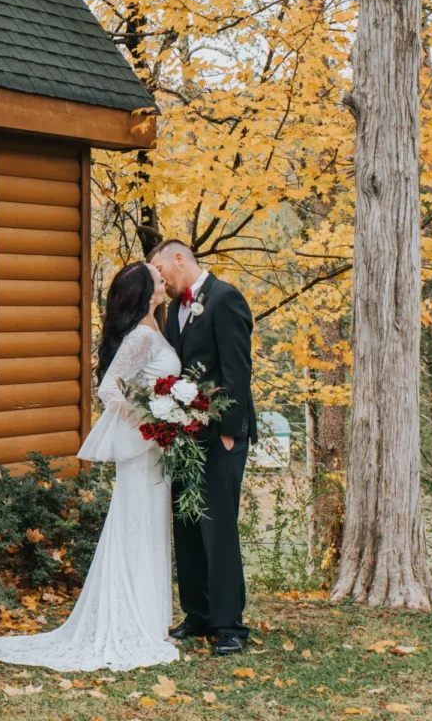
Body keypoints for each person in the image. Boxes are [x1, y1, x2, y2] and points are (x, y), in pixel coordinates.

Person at [0, 262, 181, 672]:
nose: (164, 280)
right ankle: (132, 622)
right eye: (158, 279)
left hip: (158, 450)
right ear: (147, 291)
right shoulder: (141, 335)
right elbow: (109, 387)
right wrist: (148, 421)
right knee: (136, 524)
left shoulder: (155, 329)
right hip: (144, 449)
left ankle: (152, 619)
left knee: (152, 525)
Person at [148, 239, 256, 657]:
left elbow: (237, 368)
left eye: (162, 269)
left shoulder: (226, 299)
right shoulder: (174, 309)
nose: (160, 278)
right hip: (183, 437)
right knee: (188, 526)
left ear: (180, 258)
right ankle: (198, 613)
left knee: (219, 531)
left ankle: (229, 626)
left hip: (220, 438)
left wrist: (230, 432)